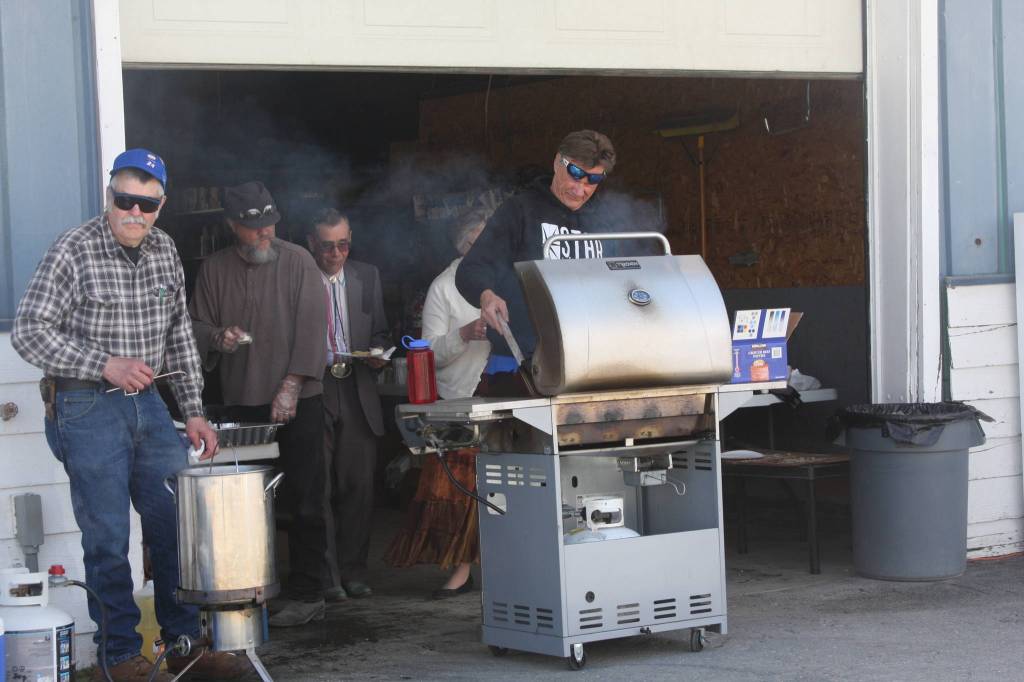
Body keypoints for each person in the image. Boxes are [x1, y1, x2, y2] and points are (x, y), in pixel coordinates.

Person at [11, 149, 248, 681]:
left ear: (161, 206)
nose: (135, 213)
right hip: (84, 403)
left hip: (149, 404)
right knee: (108, 537)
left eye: (148, 204)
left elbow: (180, 335)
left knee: (174, 526)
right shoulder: (73, 249)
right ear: (110, 195)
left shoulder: (165, 249)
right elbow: (29, 331)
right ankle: (120, 656)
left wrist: (193, 411)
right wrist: (105, 363)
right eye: (126, 200)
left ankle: (183, 643)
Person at [189, 181, 329, 628]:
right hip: (240, 402)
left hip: (299, 398)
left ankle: (309, 593)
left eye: (269, 223)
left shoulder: (299, 261)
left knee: (305, 498)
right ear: (232, 226)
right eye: (253, 227)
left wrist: (291, 385)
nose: (264, 233)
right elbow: (193, 325)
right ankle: (245, 589)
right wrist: (217, 337)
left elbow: (314, 328)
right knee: (242, 503)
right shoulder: (213, 269)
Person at [455, 129, 617, 392]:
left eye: (593, 179)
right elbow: (471, 269)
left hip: (590, 362)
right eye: (575, 174)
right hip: (521, 365)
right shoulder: (520, 211)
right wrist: (486, 296)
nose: (580, 189)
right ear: (557, 162)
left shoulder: (607, 222)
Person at [385, 208, 492, 597]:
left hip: (506, 388)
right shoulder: (444, 288)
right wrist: (463, 333)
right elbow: (427, 354)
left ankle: (501, 562)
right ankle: (463, 569)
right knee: (460, 489)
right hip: (458, 396)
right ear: (463, 246)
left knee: (504, 481)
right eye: (480, 242)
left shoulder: (506, 278)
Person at [305, 208, 390, 601]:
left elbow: (381, 331)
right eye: (327, 246)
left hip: (357, 386)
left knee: (358, 485)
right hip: (315, 386)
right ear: (312, 244)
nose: (336, 253)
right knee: (317, 485)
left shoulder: (367, 275)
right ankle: (325, 576)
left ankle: (355, 572)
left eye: (343, 244)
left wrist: (377, 353)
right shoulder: (300, 276)